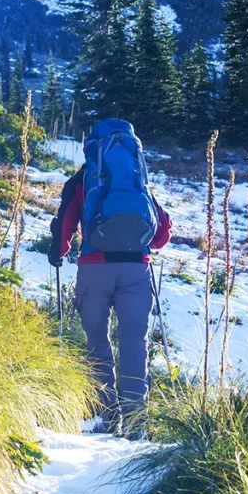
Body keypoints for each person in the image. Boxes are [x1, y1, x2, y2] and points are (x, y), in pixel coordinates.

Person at [48, 119, 171, 437]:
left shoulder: (83, 179)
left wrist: (58, 253)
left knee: (97, 344)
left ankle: (105, 415)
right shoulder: (136, 180)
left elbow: (65, 226)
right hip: (136, 270)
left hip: (94, 270)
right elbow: (161, 233)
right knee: (134, 343)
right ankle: (135, 422)